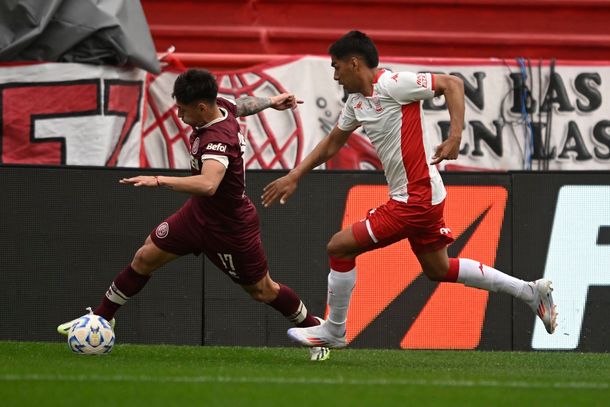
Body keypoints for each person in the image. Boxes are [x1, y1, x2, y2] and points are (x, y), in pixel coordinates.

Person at [261, 31, 557, 349]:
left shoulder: (393, 84)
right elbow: (334, 142)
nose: (335, 75)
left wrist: (455, 136)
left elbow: (452, 84)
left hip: (414, 198)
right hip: (424, 196)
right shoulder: (357, 102)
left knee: (339, 247)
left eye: (337, 67)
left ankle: (334, 331)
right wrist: (295, 175)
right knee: (438, 268)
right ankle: (529, 291)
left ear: (354, 63)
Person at [58, 68, 329, 361]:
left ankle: (315, 331)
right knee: (145, 257)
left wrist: (158, 180)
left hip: (229, 227)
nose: (179, 115)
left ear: (201, 107)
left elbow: (208, 184)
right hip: (198, 215)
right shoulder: (218, 106)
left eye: (183, 110)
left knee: (263, 290)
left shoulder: (217, 139)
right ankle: (100, 319)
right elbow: (240, 105)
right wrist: (271, 101)